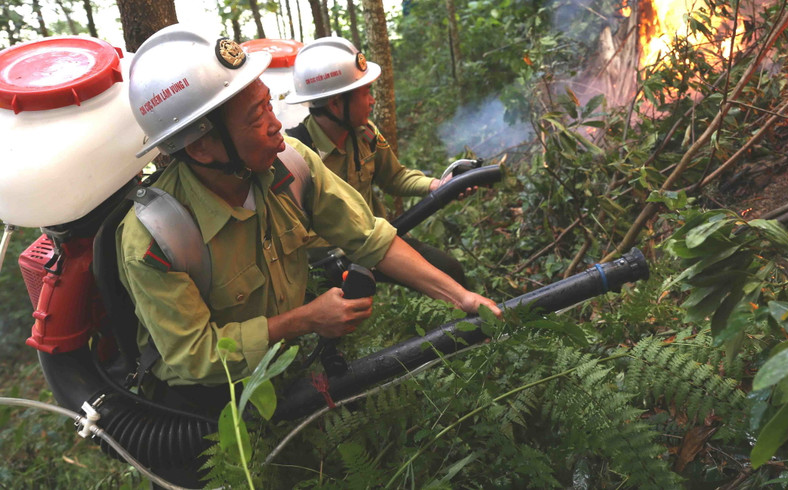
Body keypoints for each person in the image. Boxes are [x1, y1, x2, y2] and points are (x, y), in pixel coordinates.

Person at [116, 24, 500, 410]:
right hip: (207, 405)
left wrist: (462, 297)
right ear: (201, 148)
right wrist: (305, 320)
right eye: (255, 117)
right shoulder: (155, 239)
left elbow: (369, 237)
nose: (275, 124)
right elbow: (194, 355)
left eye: (269, 104)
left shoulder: (291, 163)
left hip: (286, 364)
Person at [285, 36, 471, 286]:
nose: (372, 100)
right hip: (327, 267)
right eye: (365, 92)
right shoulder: (296, 157)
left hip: (377, 246)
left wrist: (437, 185)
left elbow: (394, 177)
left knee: (449, 271)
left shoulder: (365, 134)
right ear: (336, 103)